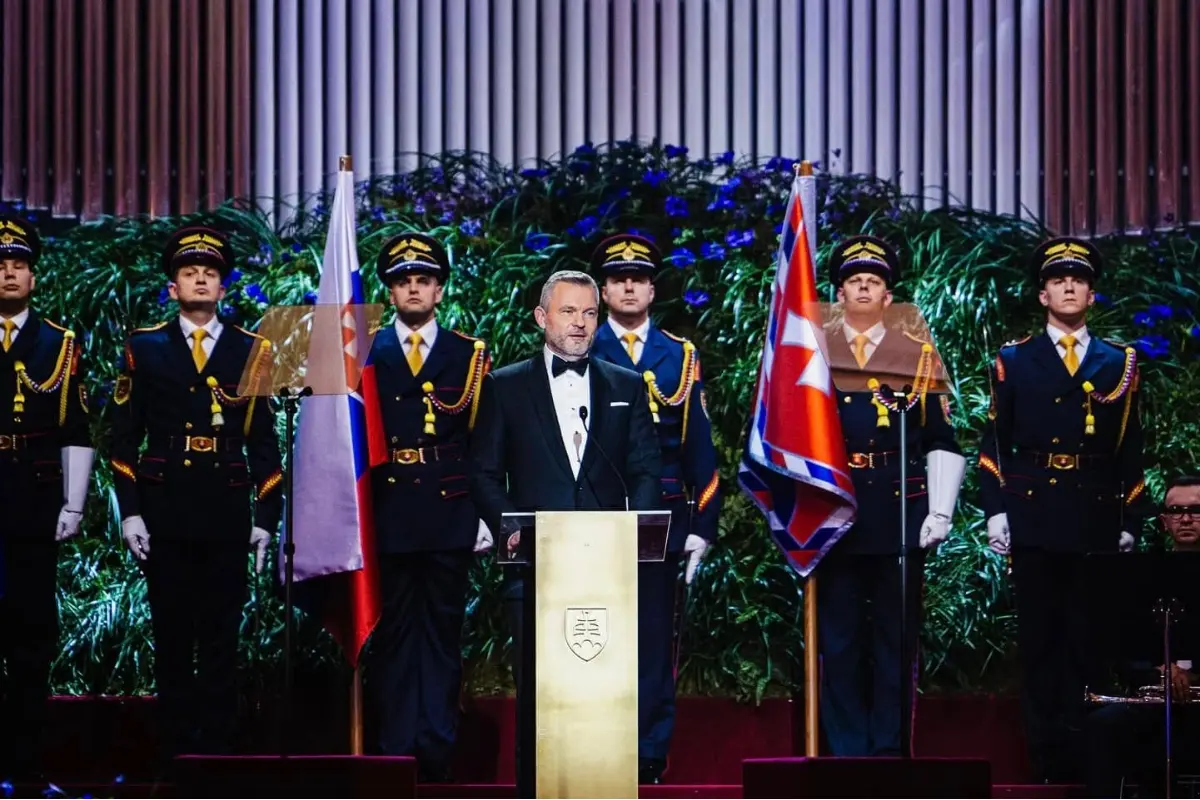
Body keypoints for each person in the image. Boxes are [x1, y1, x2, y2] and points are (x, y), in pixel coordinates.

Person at [468, 269, 662, 789]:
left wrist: (629, 537)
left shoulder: (625, 386)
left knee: (605, 699)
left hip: (608, 578)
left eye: (589, 313)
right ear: (541, 318)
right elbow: (484, 473)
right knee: (540, 701)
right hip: (535, 574)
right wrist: (517, 531)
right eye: (568, 312)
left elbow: (645, 470)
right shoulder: (505, 386)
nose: (579, 324)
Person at [109, 226, 283, 766]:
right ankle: (175, 752)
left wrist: (266, 518)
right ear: (172, 287)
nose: (201, 279)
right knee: (172, 635)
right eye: (190, 272)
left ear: (223, 287)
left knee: (220, 637)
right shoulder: (144, 347)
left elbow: (263, 443)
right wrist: (131, 513)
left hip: (227, 511)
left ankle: (218, 753)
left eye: (210, 272)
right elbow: (120, 440)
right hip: (165, 510)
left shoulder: (251, 350)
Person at [978, 236, 1149, 782]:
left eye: (1078, 280)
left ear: (1092, 296)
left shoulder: (1116, 361)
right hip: (1033, 513)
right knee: (1041, 644)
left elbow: (1130, 446)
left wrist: (1130, 518)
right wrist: (995, 510)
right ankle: (1046, 762)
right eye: (1059, 280)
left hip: (1095, 514)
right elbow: (994, 442)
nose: (1069, 286)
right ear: (1042, 294)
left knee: (1090, 642)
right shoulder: (1014, 359)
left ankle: (1089, 763)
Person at [817, 234, 966, 757]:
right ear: (838, 295)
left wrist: (941, 510)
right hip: (833, 510)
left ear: (887, 296)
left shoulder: (915, 355)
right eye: (854, 280)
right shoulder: (815, 355)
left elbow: (941, 439)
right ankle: (844, 751)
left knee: (892, 640)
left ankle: (887, 752)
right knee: (837, 639)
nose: (863, 287)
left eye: (873, 281)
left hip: (900, 512)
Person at [589, 233, 720, 784]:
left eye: (638, 278)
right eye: (618, 278)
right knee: (593, 633)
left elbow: (698, 446)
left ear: (651, 288)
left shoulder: (679, 354)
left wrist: (702, 524)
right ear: (602, 288)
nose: (628, 286)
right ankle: (595, 742)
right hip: (592, 514)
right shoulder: (579, 346)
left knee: (650, 636)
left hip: (662, 515)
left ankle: (648, 749)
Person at [362, 232, 492, 782]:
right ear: (390, 292)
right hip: (386, 513)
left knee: (441, 637)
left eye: (423, 280)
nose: (413, 288)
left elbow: (484, 443)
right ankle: (393, 753)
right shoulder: (364, 350)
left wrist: (487, 513)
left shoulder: (468, 353)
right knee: (391, 636)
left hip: (449, 512)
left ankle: (435, 753)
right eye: (402, 281)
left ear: (439, 289)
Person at [0, 215, 94, 781]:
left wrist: (75, 503)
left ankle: (28, 769)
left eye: (18, 265)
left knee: (32, 635)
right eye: (0, 265)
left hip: (34, 499)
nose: (9, 273)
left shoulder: (58, 343)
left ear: (34, 276)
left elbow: (76, 429)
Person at [1084, 474, 1200, 798]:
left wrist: (1193, 675)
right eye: (1177, 510)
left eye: (1196, 509)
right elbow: (1121, 652)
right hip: (1153, 704)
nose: (1186, 518)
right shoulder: (1138, 577)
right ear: (1164, 521)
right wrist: (1159, 672)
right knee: (1103, 725)